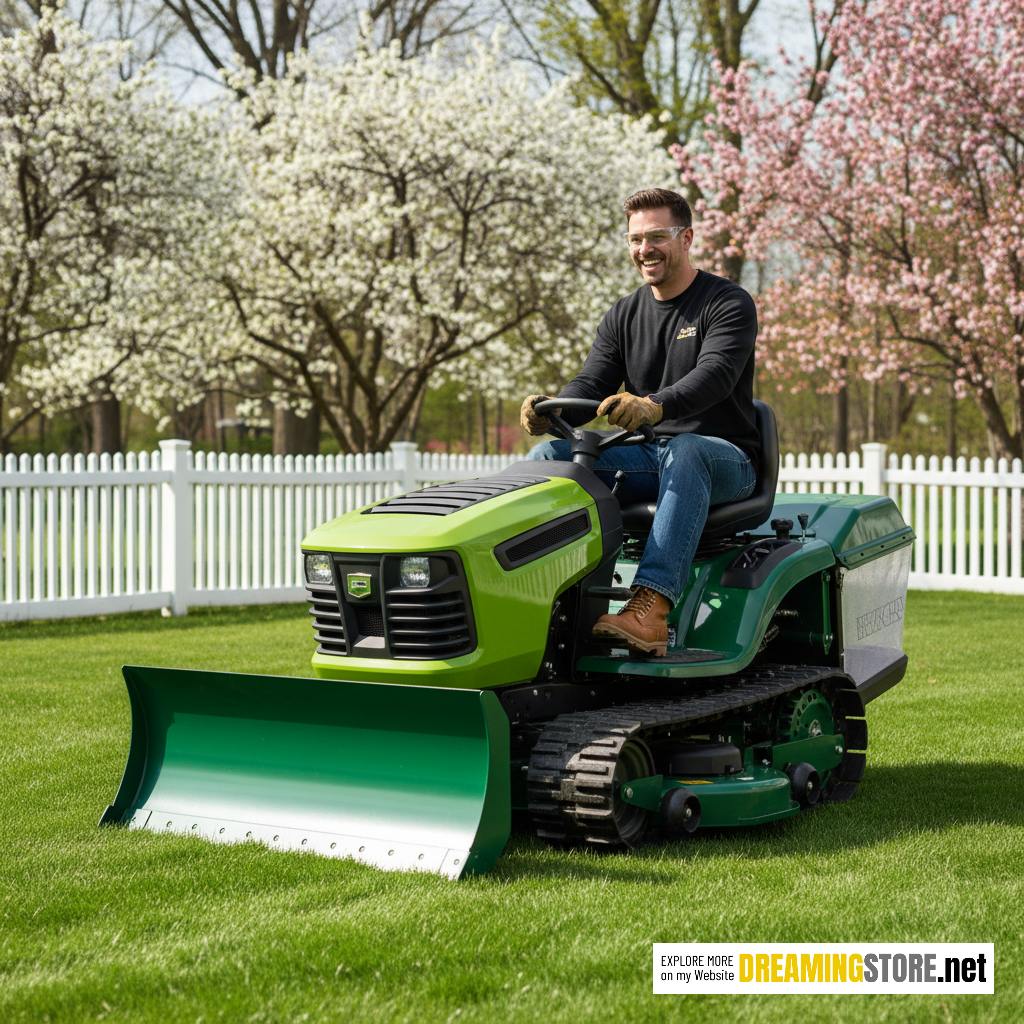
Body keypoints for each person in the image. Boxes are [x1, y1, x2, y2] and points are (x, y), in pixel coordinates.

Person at [520, 187, 760, 656]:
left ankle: (650, 607)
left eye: (656, 236)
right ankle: (550, 597)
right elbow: (591, 383)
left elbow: (714, 376)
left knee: (687, 451)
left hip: (724, 457)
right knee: (547, 458)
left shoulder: (727, 303)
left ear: (686, 237)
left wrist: (654, 405)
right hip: (650, 457)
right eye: (634, 239)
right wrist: (551, 410)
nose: (643, 249)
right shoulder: (624, 314)